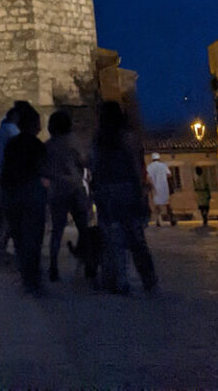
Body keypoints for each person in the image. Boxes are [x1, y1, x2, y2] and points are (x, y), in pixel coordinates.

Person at [92, 101, 157, 295]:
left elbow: (95, 167)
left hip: (106, 191)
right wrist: (141, 191)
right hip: (127, 189)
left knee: (113, 239)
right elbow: (136, 166)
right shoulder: (128, 137)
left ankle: (120, 281)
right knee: (136, 238)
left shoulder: (99, 140)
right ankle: (149, 280)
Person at [0, 104, 49, 294]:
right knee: (33, 239)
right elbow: (42, 170)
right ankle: (32, 279)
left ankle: (27, 278)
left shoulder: (12, 144)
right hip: (30, 194)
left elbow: (5, 170)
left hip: (12, 194)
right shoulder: (36, 145)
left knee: (20, 239)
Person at [44, 108, 86, 282]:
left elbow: (44, 168)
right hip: (75, 187)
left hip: (57, 190)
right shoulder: (74, 142)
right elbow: (82, 162)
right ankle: (88, 264)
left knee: (57, 230)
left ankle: (53, 265)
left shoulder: (49, 145)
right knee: (83, 228)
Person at [0, 105, 24, 263]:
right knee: (13, 219)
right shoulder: (14, 133)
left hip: (0, 181)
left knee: (5, 218)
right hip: (15, 181)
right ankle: (1, 250)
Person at [146, 153, 174, 226]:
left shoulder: (149, 167)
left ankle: (158, 220)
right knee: (167, 204)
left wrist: (152, 183)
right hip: (164, 187)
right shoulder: (163, 165)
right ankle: (171, 219)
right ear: (159, 158)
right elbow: (169, 174)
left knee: (157, 205)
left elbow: (148, 177)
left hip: (155, 187)